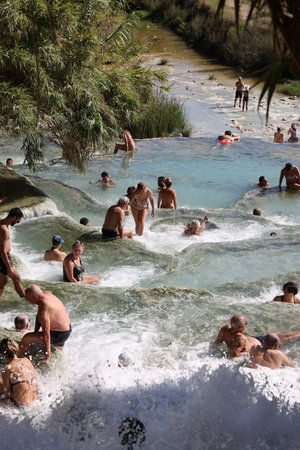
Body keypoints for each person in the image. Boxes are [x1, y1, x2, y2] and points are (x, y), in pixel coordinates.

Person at [18, 285, 72, 362]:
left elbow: (46, 335)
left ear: (35, 297)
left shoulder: (44, 308)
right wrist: (35, 332)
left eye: (27, 298)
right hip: (67, 329)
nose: (26, 300)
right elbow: (39, 317)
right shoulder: (46, 294)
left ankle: (19, 358)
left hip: (59, 334)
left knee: (26, 338)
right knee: (59, 350)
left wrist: (47, 356)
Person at [217, 314, 300, 358]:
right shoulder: (240, 338)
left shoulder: (225, 328)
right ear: (241, 327)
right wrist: (249, 353)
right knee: (284, 339)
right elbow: (233, 355)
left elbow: (218, 342)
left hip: (255, 339)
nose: (246, 325)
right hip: (261, 345)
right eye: (246, 323)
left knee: (279, 336)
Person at [0, 338, 38, 407]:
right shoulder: (26, 360)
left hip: (20, 404)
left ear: (3, 354)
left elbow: (7, 393)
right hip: (34, 399)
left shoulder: (6, 369)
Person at [0, 207, 25, 298]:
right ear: (14, 217)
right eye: (18, 219)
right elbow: (3, 251)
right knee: (16, 279)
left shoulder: (1, 222)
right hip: (3, 257)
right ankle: (26, 301)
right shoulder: (4, 230)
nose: (18, 222)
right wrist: (8, 266)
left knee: (2, 282)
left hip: (3, 256)